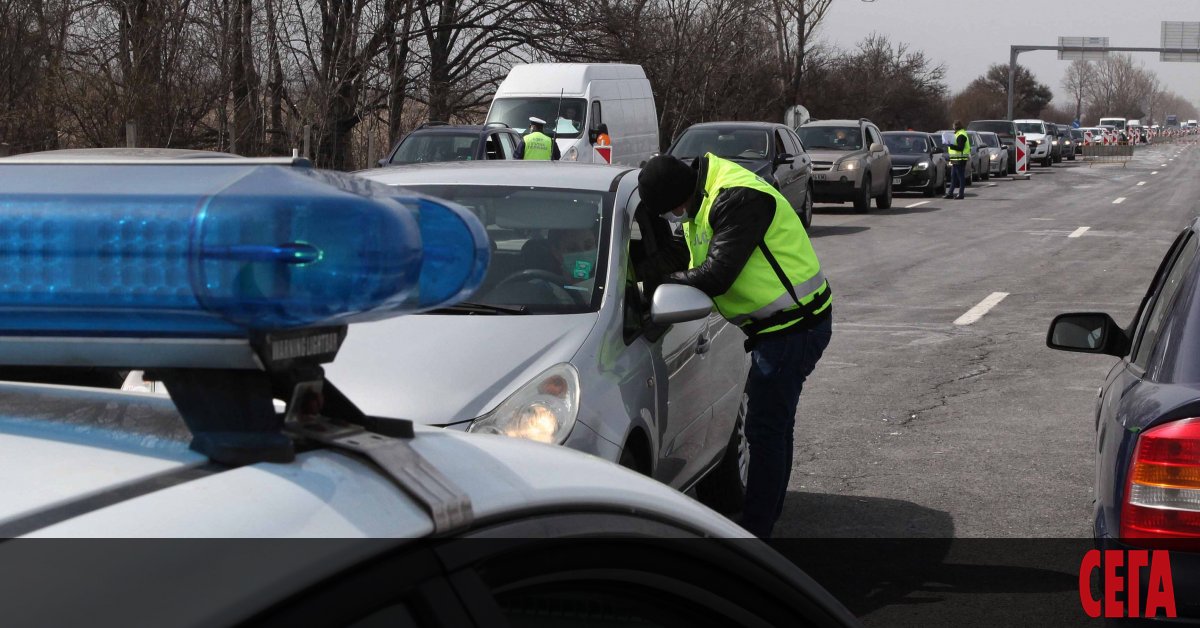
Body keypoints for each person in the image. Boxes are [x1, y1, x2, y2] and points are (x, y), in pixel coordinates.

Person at [637, 153, 832, 539]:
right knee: (775, 427)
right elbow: (683, 251)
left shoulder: (736, 197)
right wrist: (637, 272)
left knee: (765, 430)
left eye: (673, 210)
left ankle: (756, 537)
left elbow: (717, 274)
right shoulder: (702, 195)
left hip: (795, 327)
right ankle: (767, 518)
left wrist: (651, 289)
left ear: (679, 196)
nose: (676, 216)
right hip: (779, 328)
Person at [946, 120, 970, 200]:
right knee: (953, 176)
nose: (953, 128)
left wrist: (951, 145)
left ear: (956, 126)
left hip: (960, 158)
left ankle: (961, 194)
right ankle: (950, 193)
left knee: (960, 177)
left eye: (953, 126)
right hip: (955, 158)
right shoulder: (958, 134)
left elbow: (960, 148)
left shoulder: (961, 135)